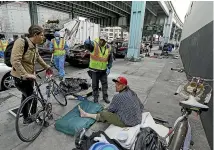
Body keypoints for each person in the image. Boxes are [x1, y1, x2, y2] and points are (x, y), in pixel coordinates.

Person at [11, 25, 52, 126]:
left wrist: (47, 67)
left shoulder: (34, 45)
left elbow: (38, 58)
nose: (43, 37)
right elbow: (15, 61)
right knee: (33, 98)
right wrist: (26, 75)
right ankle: (36, 119)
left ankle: (26, 118)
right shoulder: (21, 42)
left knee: (25, 97)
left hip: (29, 78)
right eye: (42, 35)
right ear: (35, 35)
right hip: (21, 78)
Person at [78, 76, 144, 127]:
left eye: (118, 85)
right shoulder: (132, 92)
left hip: (129, 123)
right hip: (138, 118)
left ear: (124, 86)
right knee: (114, 111)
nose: (115, 86)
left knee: (104, 113)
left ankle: (86, 114)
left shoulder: (118, 97)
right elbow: (141, 106)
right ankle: (86, 114)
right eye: (116, 84)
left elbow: (110, 110)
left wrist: (103, 111)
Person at [84, 33, 113, 103]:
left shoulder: (108, 47)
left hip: (103, 70)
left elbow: (110, 59)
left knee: (105, 85)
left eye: (104, 40)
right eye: (101, 40)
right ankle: (96, 98)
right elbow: (88, 46)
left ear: (106, 41)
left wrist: (109, 67)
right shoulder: (94, 44)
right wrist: (86, 43)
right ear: (99, 38)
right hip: (94, 70)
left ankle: (105, 97)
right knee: (95, 85)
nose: (102, 42)